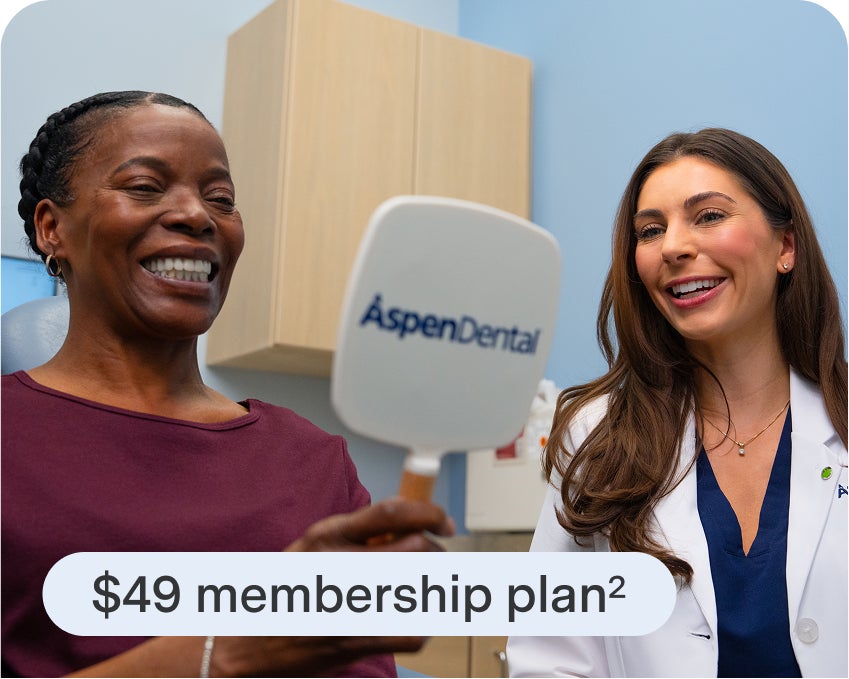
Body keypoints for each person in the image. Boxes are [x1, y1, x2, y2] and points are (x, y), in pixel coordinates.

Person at [1, 91, 453, 678]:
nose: (198, 215)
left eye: (221, 199)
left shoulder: (314, 462)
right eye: (144, 186)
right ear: (51, 228)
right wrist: (228, 653)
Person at [507, 128, 847, 677]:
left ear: (786, 247)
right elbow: (550, 657)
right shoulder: (597, 440)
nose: (672, 247)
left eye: (709, 216)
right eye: (651, 230)